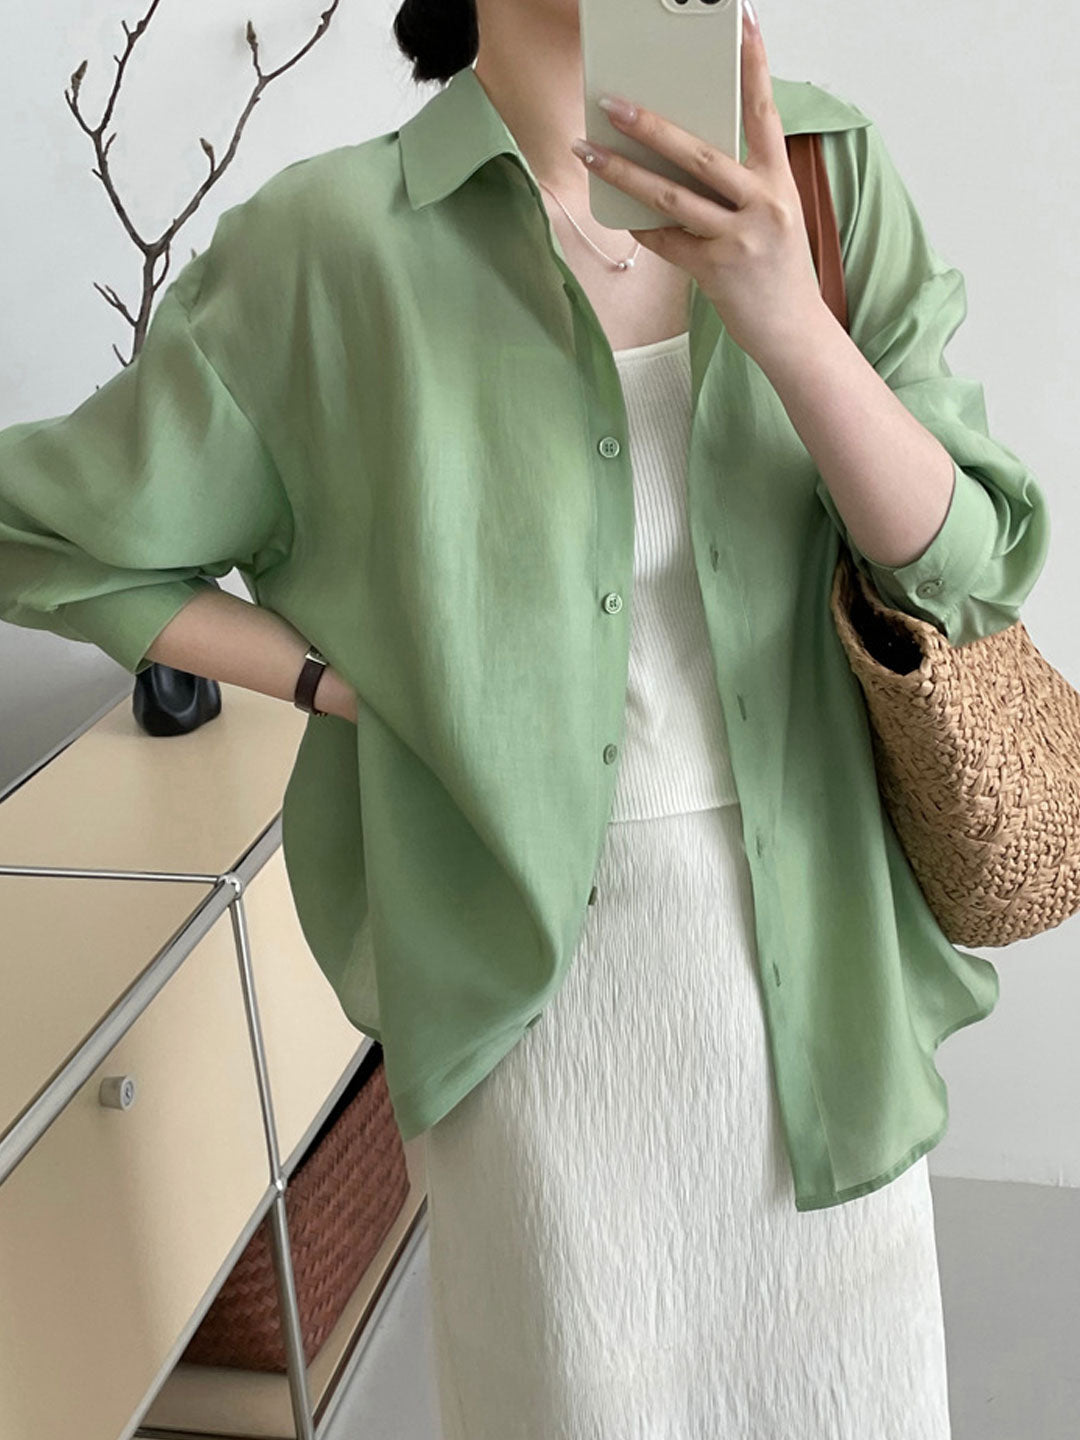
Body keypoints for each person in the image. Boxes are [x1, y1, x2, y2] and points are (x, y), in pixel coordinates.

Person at [0, 0, 1051, 1436]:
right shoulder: (326, 248)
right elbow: (44, 534)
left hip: (824, 979)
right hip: (539, 1018)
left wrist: (787, 316)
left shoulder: (816, 168)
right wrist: (324, 679)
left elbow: (970, 561)